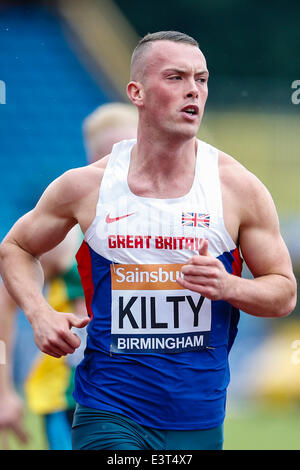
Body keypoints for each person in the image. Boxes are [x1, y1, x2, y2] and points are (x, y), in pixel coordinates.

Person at [0, 31, 296, 451]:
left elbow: (284, 293)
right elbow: (15, 248)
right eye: (175, 77)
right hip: (108, 409)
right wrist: (39, 312)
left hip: (197, 417)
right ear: (136, 92)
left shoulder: (237, 188)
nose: (193, 89)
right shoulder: (87, 186)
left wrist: (229, 286)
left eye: (202, 79)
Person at [0, 102, 138, 449]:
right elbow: (4, 302)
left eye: (135, 149)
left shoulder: (163, 226)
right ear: (93, 157)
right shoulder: (66, 234)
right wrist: (2, 390)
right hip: (70, 399)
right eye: (114, 153)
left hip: (137, 393)